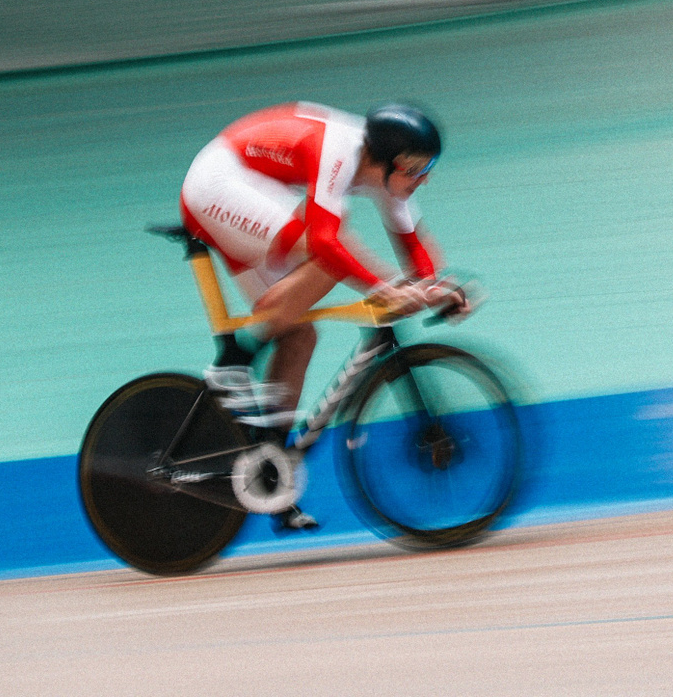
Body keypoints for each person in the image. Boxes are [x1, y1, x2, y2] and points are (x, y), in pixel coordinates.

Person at [178, 100, 469, 531]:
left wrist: (434, 288)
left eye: (428, 167)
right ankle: (235, 362)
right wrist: (388, 289)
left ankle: (272, 473)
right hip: (219, 183)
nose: (424, 178)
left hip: (255, 187)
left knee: (299, 335)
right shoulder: (339, 152)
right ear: (387, 161)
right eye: (417, 168)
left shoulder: (385, 171)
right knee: (332, 252)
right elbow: (327, 245)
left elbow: (414, 244)